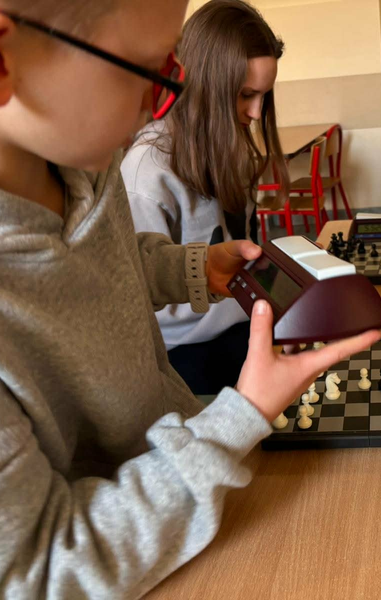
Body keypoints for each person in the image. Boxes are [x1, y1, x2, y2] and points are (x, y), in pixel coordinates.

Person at [0, 2, 380, 597]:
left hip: (180, 491)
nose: (164, 106)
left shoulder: (79, 157)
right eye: (149, 70)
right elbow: (35, 575)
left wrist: (192, 267)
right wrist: (238, 417)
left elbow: (100, 267)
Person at [122, 0, 289, 394]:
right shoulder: (148, 171)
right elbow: (140, 296)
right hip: (186, 352)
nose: (256, 112)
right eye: (246, 94)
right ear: (206, 86)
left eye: (264, 96)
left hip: (242, 322)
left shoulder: (231, 142)